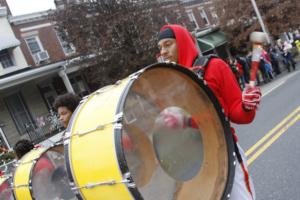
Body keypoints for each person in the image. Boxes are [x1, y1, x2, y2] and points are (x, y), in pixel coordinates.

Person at [157, 24, 261, 200]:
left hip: (225, 153)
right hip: (192, 166)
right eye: (160, 48)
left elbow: (236, 112)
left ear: (182, 43)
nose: (163, 52)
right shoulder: (166, 82)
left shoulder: (215, 66)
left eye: (168, 44)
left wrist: (246, 105)